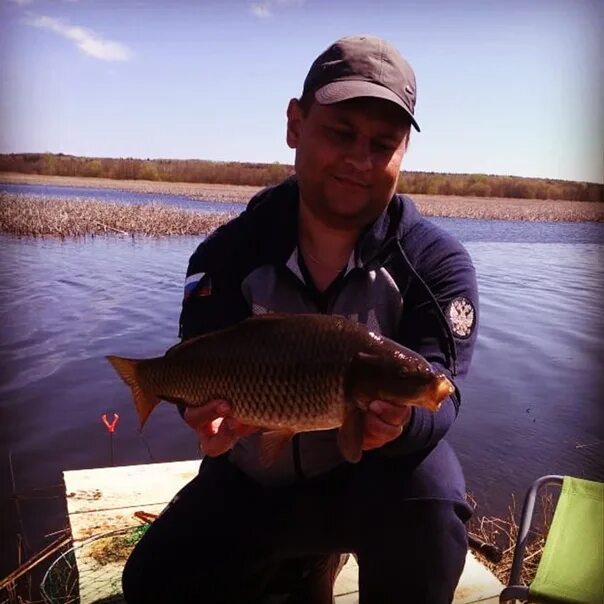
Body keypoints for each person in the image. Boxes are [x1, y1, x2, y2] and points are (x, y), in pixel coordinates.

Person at [122, 34, 479, 604]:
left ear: (403, 153)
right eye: (341, 133)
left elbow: (444, 392)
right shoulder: (224, 255)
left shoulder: (435, 263)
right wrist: (204, 420)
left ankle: (321, 557)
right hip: (251, 480)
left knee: (434, 506)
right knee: (150, 583)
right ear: (295, 123)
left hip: (371, 485)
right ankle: (291, 564)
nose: (360, 160)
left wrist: (401, 425)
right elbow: (199, 364)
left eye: (383, 144)